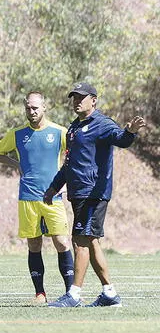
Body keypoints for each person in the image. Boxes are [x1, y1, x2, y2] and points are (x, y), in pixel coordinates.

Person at [45, 83, 146, 307]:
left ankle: (74, 295)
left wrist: (130, 132)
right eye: (74, 97)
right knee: (91, 242)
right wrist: (54, 187)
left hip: (94, 193)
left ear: (94, 100)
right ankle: (109, 294)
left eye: (81, 97)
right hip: (78, 193)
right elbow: (68, 165)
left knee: (80, 240)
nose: (76, 101)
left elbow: (121, 139)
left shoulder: (102, 124)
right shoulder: (73, 129)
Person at [0, 91, 74, 305]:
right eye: (28, 108)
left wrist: (66, 178)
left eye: (35, 107)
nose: (32, 111)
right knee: (34, 244)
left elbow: (75, 153)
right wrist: (16, 164)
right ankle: (40, 294)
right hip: (27, 197)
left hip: (53, 197)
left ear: (44, 107)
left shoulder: (59, 132)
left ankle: (71, 292)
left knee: (62, 242)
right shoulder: (17, 134)